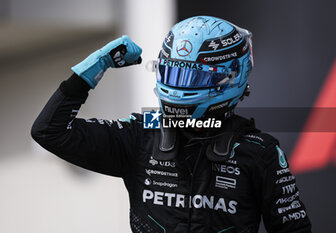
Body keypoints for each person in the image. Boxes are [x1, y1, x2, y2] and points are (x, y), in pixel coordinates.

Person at [31, 16, 312, 233]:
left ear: (231, 77)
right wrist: (92, 69)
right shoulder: (141, 134)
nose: (179, 89)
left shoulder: (259, 151)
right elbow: (49, 131)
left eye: (193, 79)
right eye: (173, 73)